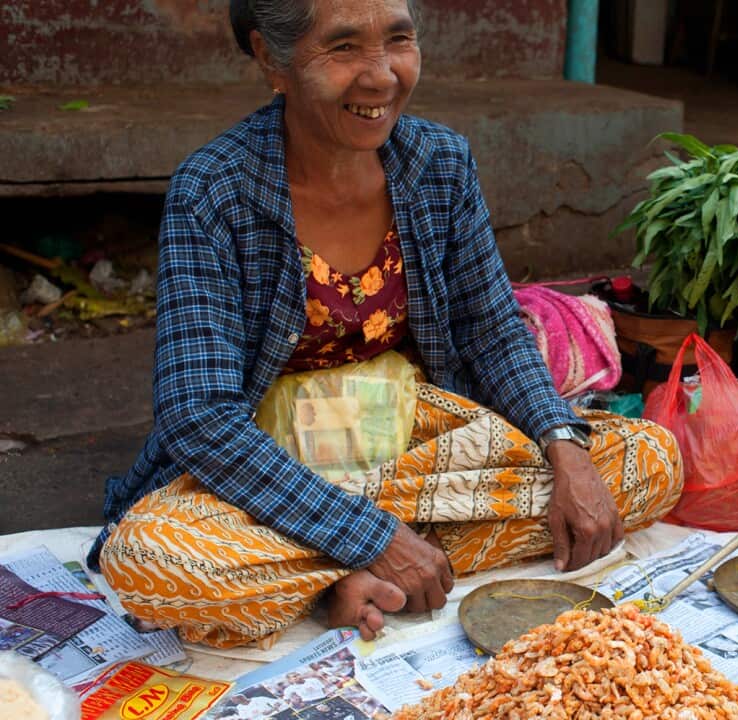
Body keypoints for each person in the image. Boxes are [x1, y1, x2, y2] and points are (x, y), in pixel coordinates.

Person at [88, 0, 683, 649]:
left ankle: (329, 574)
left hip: (417, 454)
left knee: (649, 460)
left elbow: (493, 332)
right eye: (343, 48)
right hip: (269, 472)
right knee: (152, 559)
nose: (382, 75)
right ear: (271, 58)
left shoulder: (440, 164)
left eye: (398, 40)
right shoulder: (214, 190)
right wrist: (371, 536)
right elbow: (198, 416)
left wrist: (566, 451)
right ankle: (352, 568)